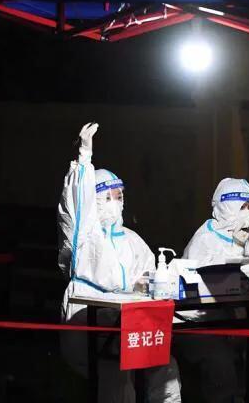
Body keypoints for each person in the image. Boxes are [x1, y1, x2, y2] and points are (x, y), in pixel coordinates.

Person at [57, 122, 181, 403]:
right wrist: (84, 159)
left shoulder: (131, 239)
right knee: (116, 374)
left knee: (165, 366)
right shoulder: (84, 236)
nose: (116, 202)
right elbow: (76, 203)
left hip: (128, 319)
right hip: (89, 314)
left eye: (119, 196)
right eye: (107, 197)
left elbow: (151, 274)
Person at [175, 178, 249, 403]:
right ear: (225, 206)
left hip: (232, 317)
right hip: (198, 322)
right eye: (242, 207)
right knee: (220, 363)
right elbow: (208, 283)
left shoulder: (245, 236)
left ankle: (242, 391)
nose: (247, 213)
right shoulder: (204, 238)